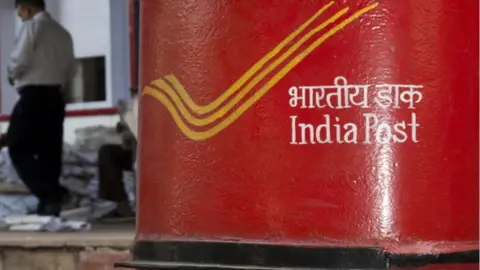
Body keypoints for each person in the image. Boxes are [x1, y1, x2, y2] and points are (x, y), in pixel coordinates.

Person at [6, 0, 76, 216]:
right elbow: (71, 69)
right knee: (49, 152)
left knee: (17, 145)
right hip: (56, 96)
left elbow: (20, 59)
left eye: (19, 11)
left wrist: (11, 73)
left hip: (33, 95)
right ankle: (48, 207)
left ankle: (53, 194)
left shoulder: (32, 27)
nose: (19, 17)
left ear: (27, 8)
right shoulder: (63, 33)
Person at [97, 97, 138, 222]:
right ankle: (120, 203)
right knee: (107, 152)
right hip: (136, 150)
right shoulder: (136, 103)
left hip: (157, 152)